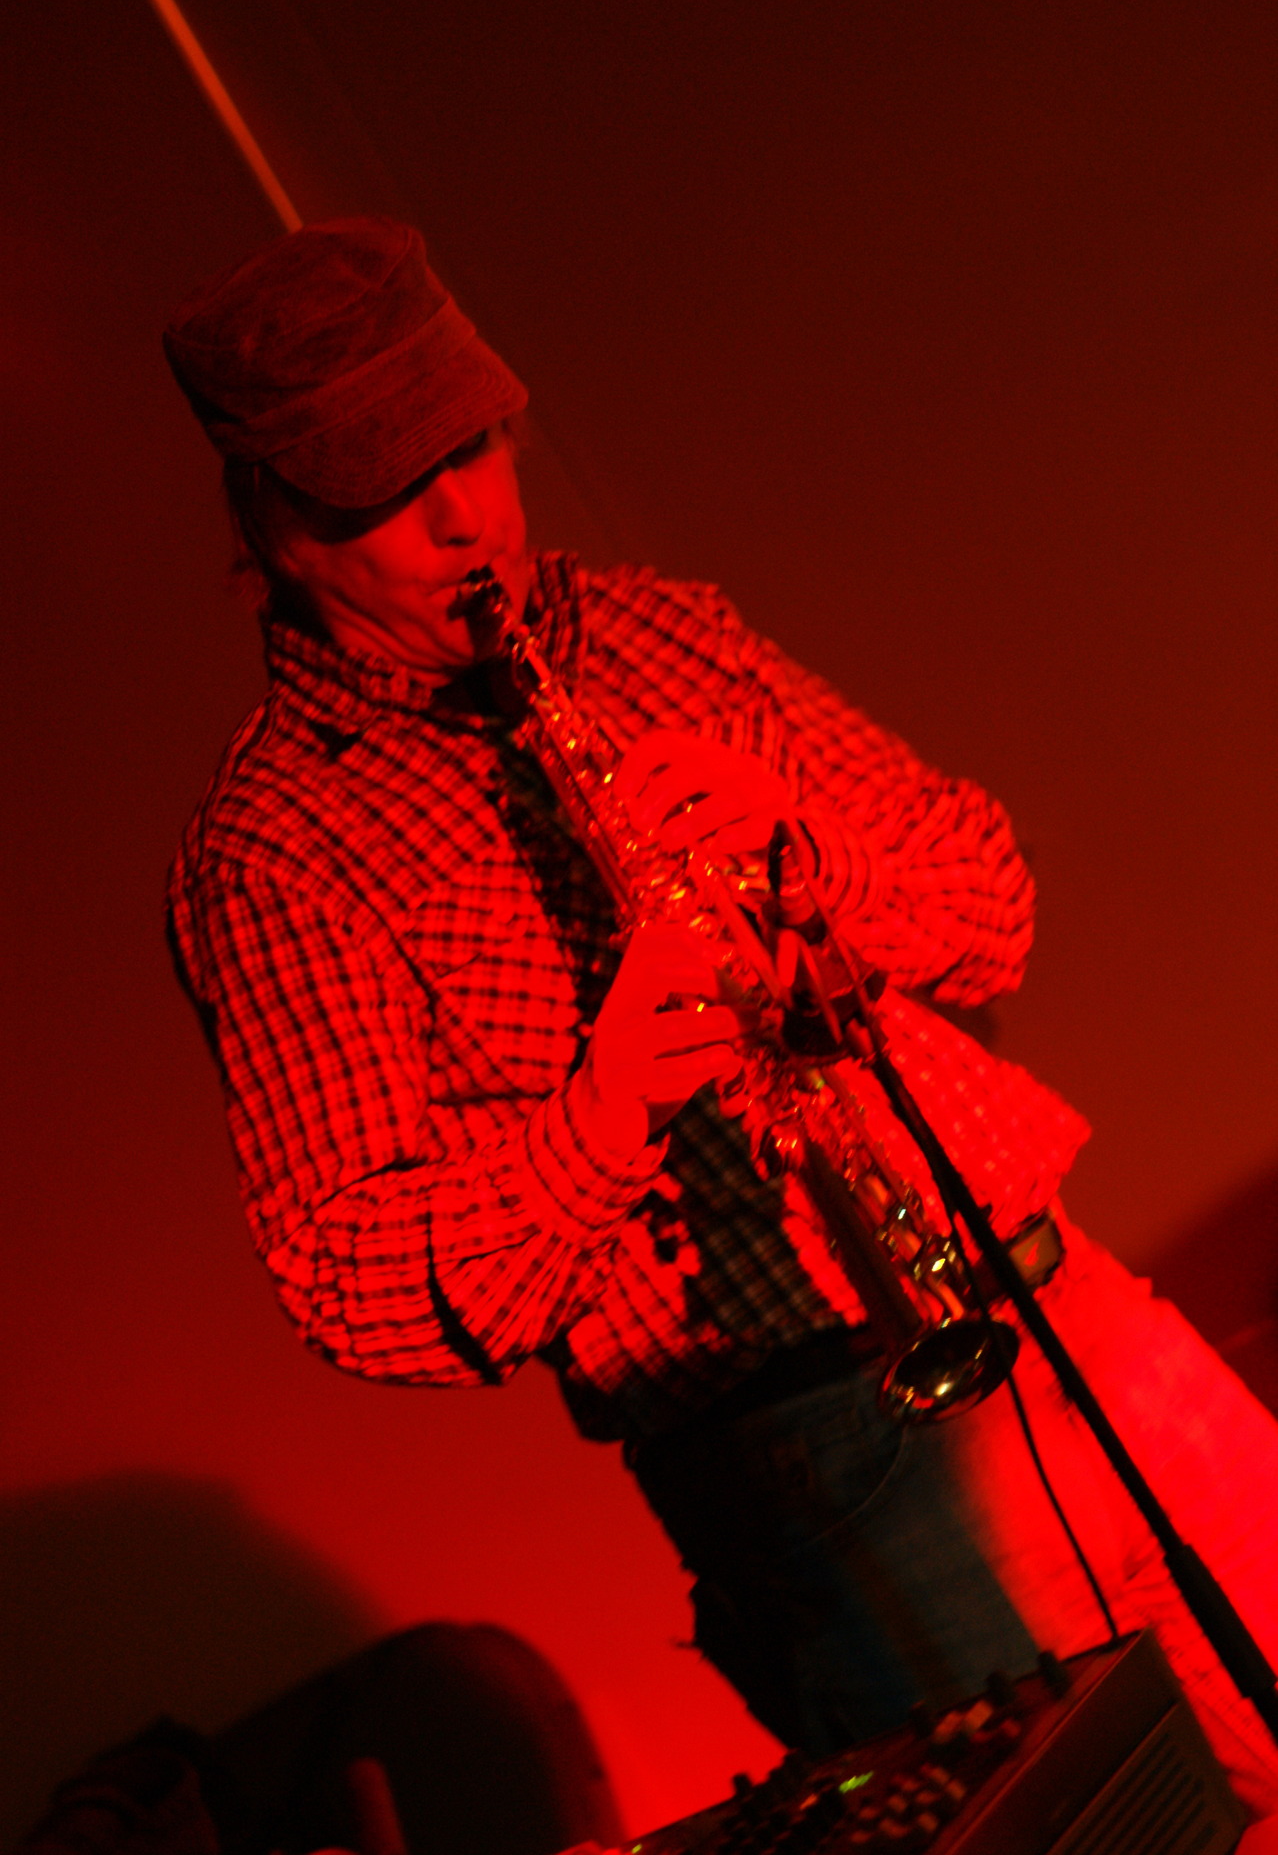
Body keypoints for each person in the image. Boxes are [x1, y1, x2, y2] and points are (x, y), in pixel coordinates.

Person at [163, 217, 1278, 1818]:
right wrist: (600, 1111)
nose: (467, 517)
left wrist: (811, 858)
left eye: (473, 449)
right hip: (825, 1464)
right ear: (275, 524)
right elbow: (353, 1279)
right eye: (395, 493)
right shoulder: (277, 854)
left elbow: (988, 900)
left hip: (1062, 1309)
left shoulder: (652, 630)